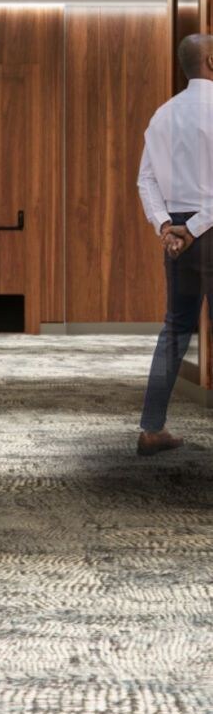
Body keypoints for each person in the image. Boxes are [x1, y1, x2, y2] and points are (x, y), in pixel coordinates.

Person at [137, 31, 213, 455]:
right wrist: (196, 225)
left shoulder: (163, 114)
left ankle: (151, 429)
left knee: (175, 329)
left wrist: (167, 226)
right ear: (211, 62)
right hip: (206, 228)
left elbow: (145, 179)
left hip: (179, 237)